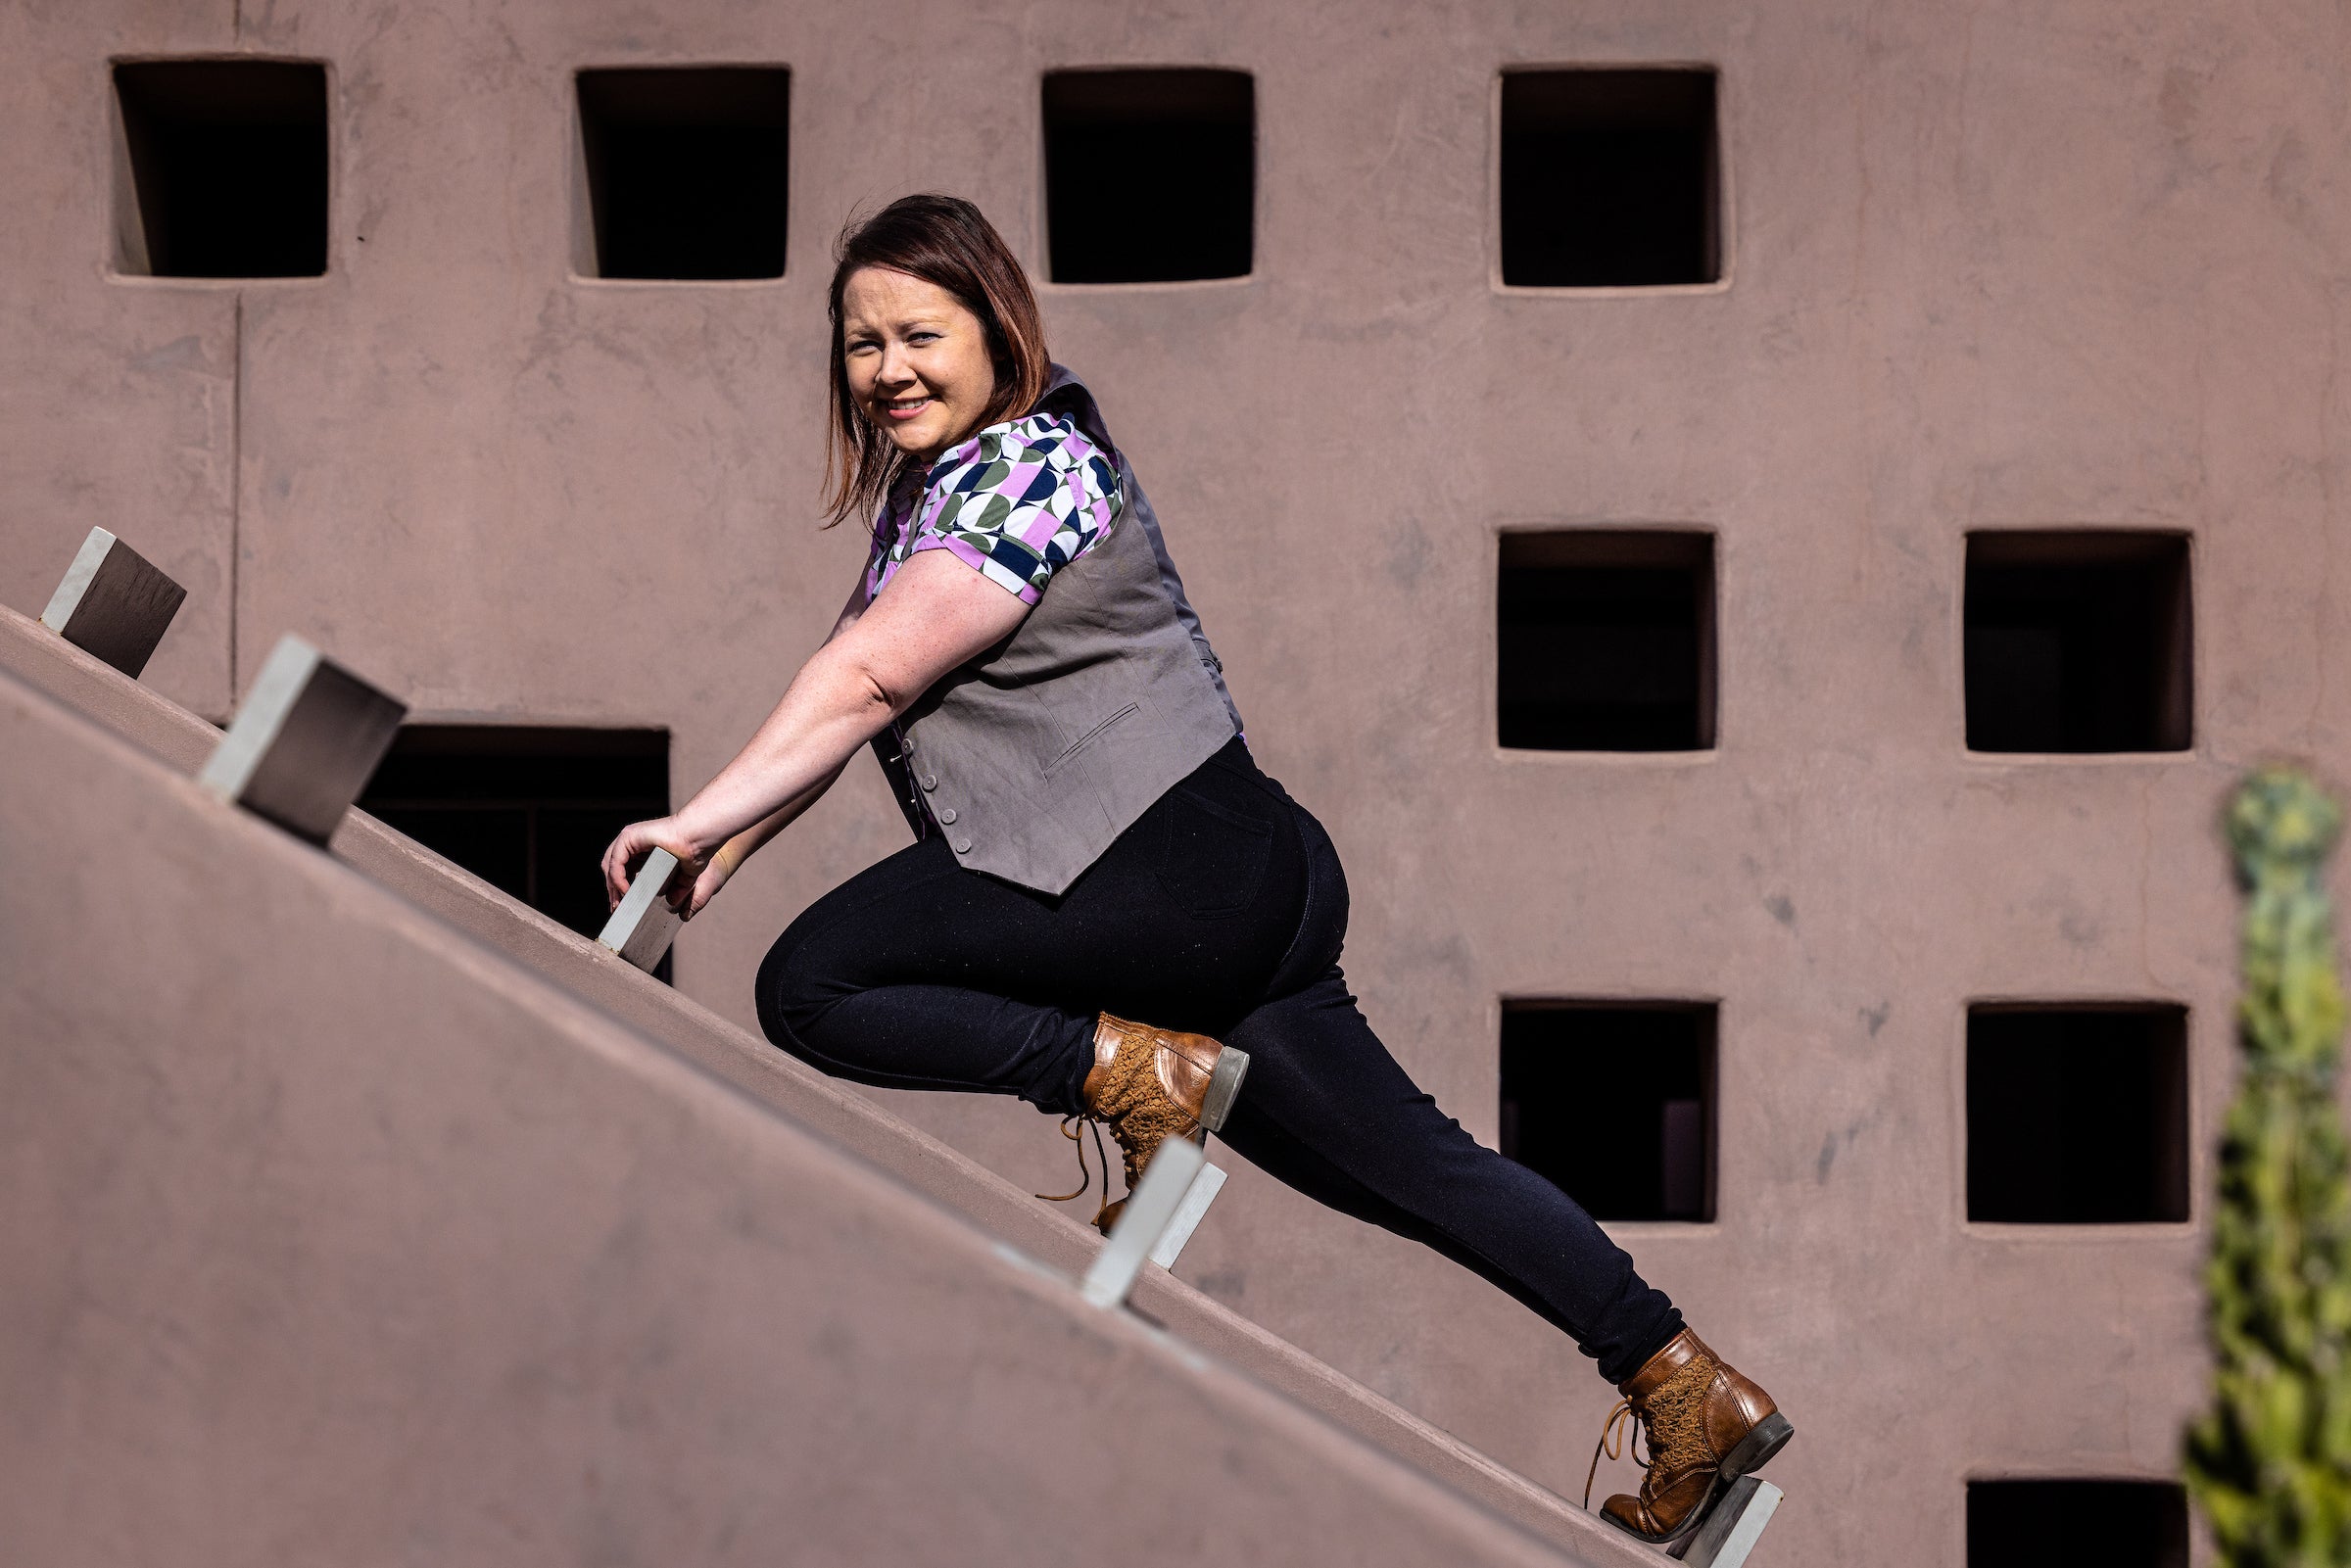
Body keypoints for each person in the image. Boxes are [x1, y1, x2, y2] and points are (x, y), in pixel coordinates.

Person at [600, 193, 1790, 1544]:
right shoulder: (953, 501)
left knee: (811, 983)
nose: (889, 370)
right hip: (1234, 880)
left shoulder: (1025, 468)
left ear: (999, 333)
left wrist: (692, 822)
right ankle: (1679, 1375)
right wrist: (722, 849)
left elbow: (867, 681)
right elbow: (828, 704)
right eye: (861, 345)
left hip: (1150, 872)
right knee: (1414, 1168)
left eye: (919, 334)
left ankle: (1126, 1070)